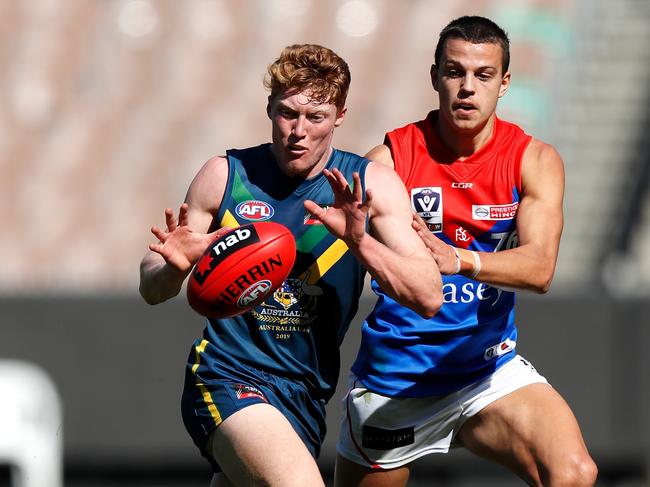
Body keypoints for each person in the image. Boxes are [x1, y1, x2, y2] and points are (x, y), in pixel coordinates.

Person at [139, 44, 442, 487]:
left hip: (305, 394)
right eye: (287, 114)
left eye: (315, 117)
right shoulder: (226, 175)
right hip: (227, 373)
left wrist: (359, 242)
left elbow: (429, 295)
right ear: (269, 108)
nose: (298, 131)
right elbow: (152, 288)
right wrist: (173, 267)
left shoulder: (369, 186)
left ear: (339, 115)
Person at [335, 16, 598, 487]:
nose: (467, 88)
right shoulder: (388, 162)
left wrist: (458, 260)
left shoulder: (533, 160)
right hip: (397, 383)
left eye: (483, 75)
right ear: (434, 75)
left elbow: (540, 268)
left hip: (487, 372)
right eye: (455, 72)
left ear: (505, 83)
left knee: (574, 473)